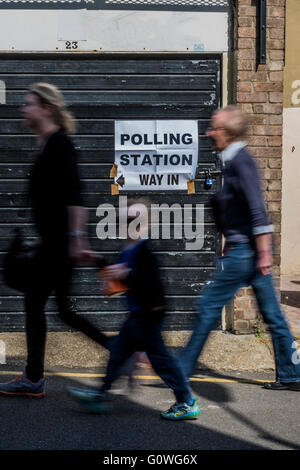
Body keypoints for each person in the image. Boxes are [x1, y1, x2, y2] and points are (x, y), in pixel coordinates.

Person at [0, 83, 112, 398]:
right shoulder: (47, 144)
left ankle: (34, 378)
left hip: (59, 245)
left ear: (47, 108)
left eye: (29, 103)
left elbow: (76, 195)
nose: (23, 109)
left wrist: (77, 238)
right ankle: (119, 350)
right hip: (53, 243)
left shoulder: (60, 144)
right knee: (62, 310)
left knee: (38, 303)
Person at [179, 106, 300, 391]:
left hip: (246, 253)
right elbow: (236, 210)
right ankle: (291, 372)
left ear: (228, 133)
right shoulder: (231, 162)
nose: (209, 132)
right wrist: (230, 242)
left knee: (208, 307)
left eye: (214, 128)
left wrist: (264, 251)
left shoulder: (241, 160)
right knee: (272, 315)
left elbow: (257, 208)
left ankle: (181, 371)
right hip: (247, 250)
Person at [68, 200, 201, 420]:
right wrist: (97, 260)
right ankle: (100, 394)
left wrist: (126, 276)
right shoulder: (126, 250)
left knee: (161, 360)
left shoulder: (144, 252)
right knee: (118, 354)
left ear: (146, 225)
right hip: (137, 315)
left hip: (150, 314)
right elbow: (116, 277)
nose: (129, 225)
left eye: (134, 220)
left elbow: (149, 281)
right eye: (125, 220)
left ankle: (187, 401)